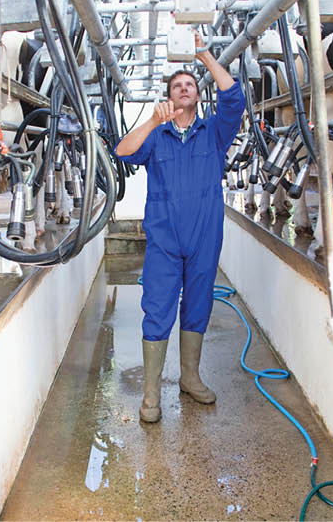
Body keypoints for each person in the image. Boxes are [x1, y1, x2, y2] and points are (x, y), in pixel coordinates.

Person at [115, 32, 245, 423]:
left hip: (205, 236)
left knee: (198, 305)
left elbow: (234, 95)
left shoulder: (214, 132)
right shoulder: (157, 134)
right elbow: (122, 150)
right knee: (157, 307)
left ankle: (190, 377)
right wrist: (153, 119)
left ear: (197, 95)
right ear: (170, 98)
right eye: (177, 86)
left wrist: (204, 55)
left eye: (189, 85)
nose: (184, 89)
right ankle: (152, 394)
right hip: (165, 238)